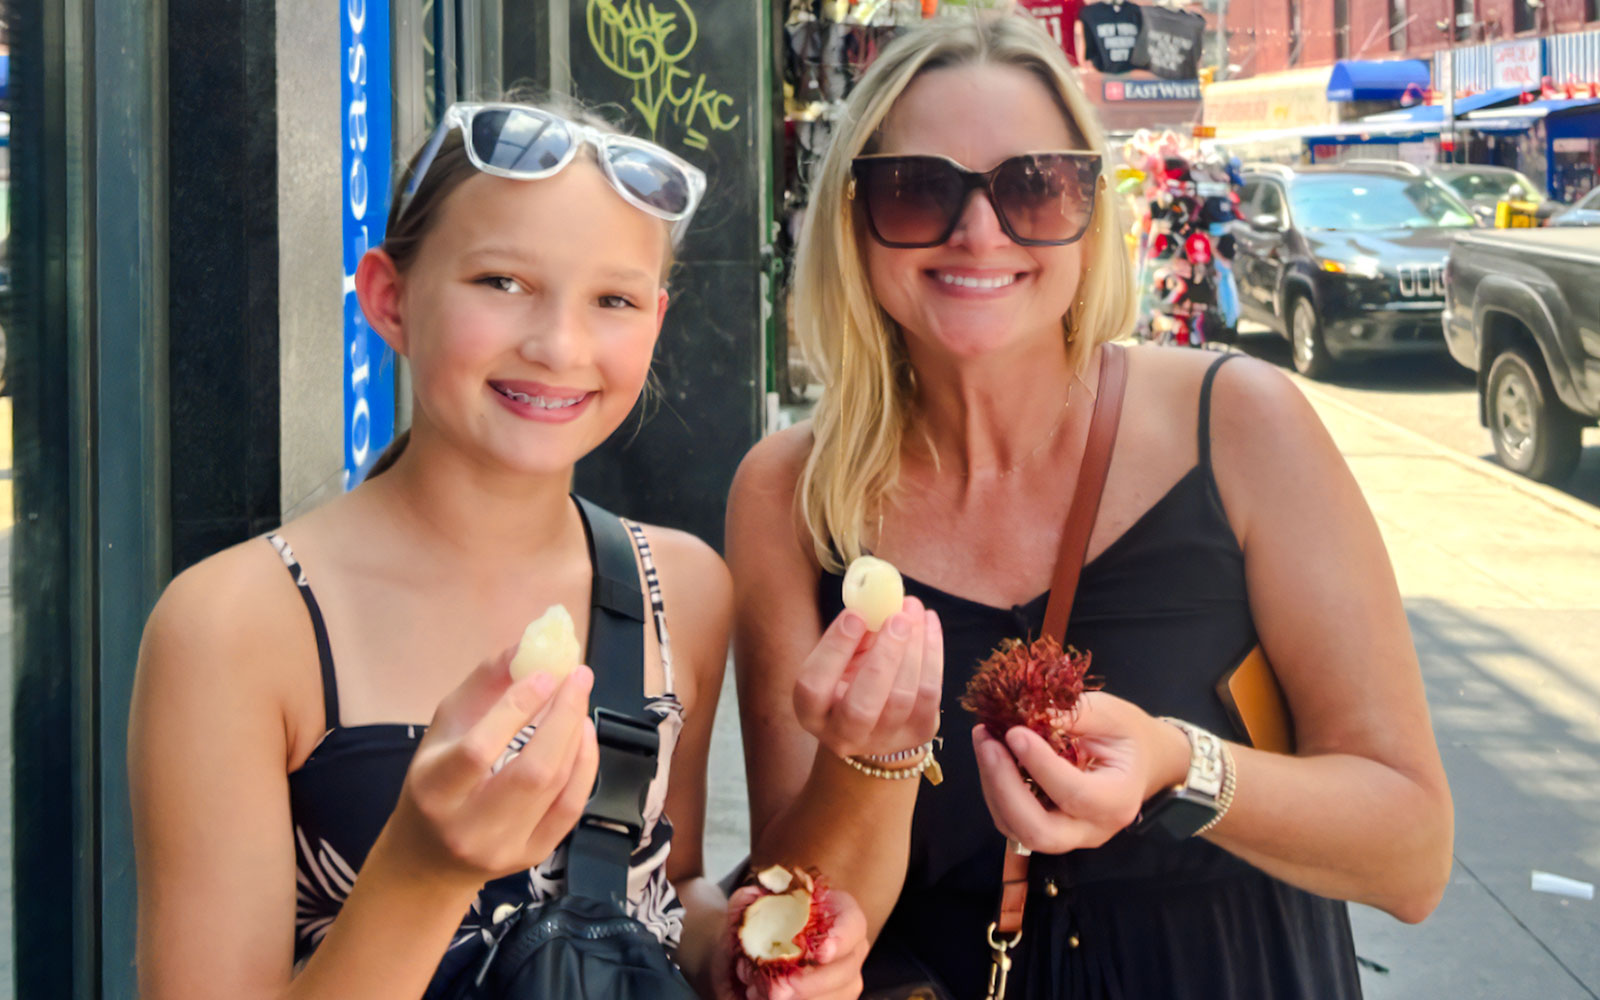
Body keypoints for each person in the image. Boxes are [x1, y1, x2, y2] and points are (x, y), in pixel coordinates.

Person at [727, 13, 1453, 999]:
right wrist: (873, 760)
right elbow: (793, 920)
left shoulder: (1238, 424)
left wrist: (1177, 765)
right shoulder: (789, 496)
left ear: (1091, 212)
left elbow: (1412, 855)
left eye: (1034, 185)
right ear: (853, 219)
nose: (979, 231)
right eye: (917, 188)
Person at [130, 98, 866, 1000]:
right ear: (389, 299)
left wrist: (751, 952)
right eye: (502, 282)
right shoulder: (234, 626)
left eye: (613, 300)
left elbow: (663, 894)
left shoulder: (680, 588)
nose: (558, 344)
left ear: (656, 321)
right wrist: (425, 870)